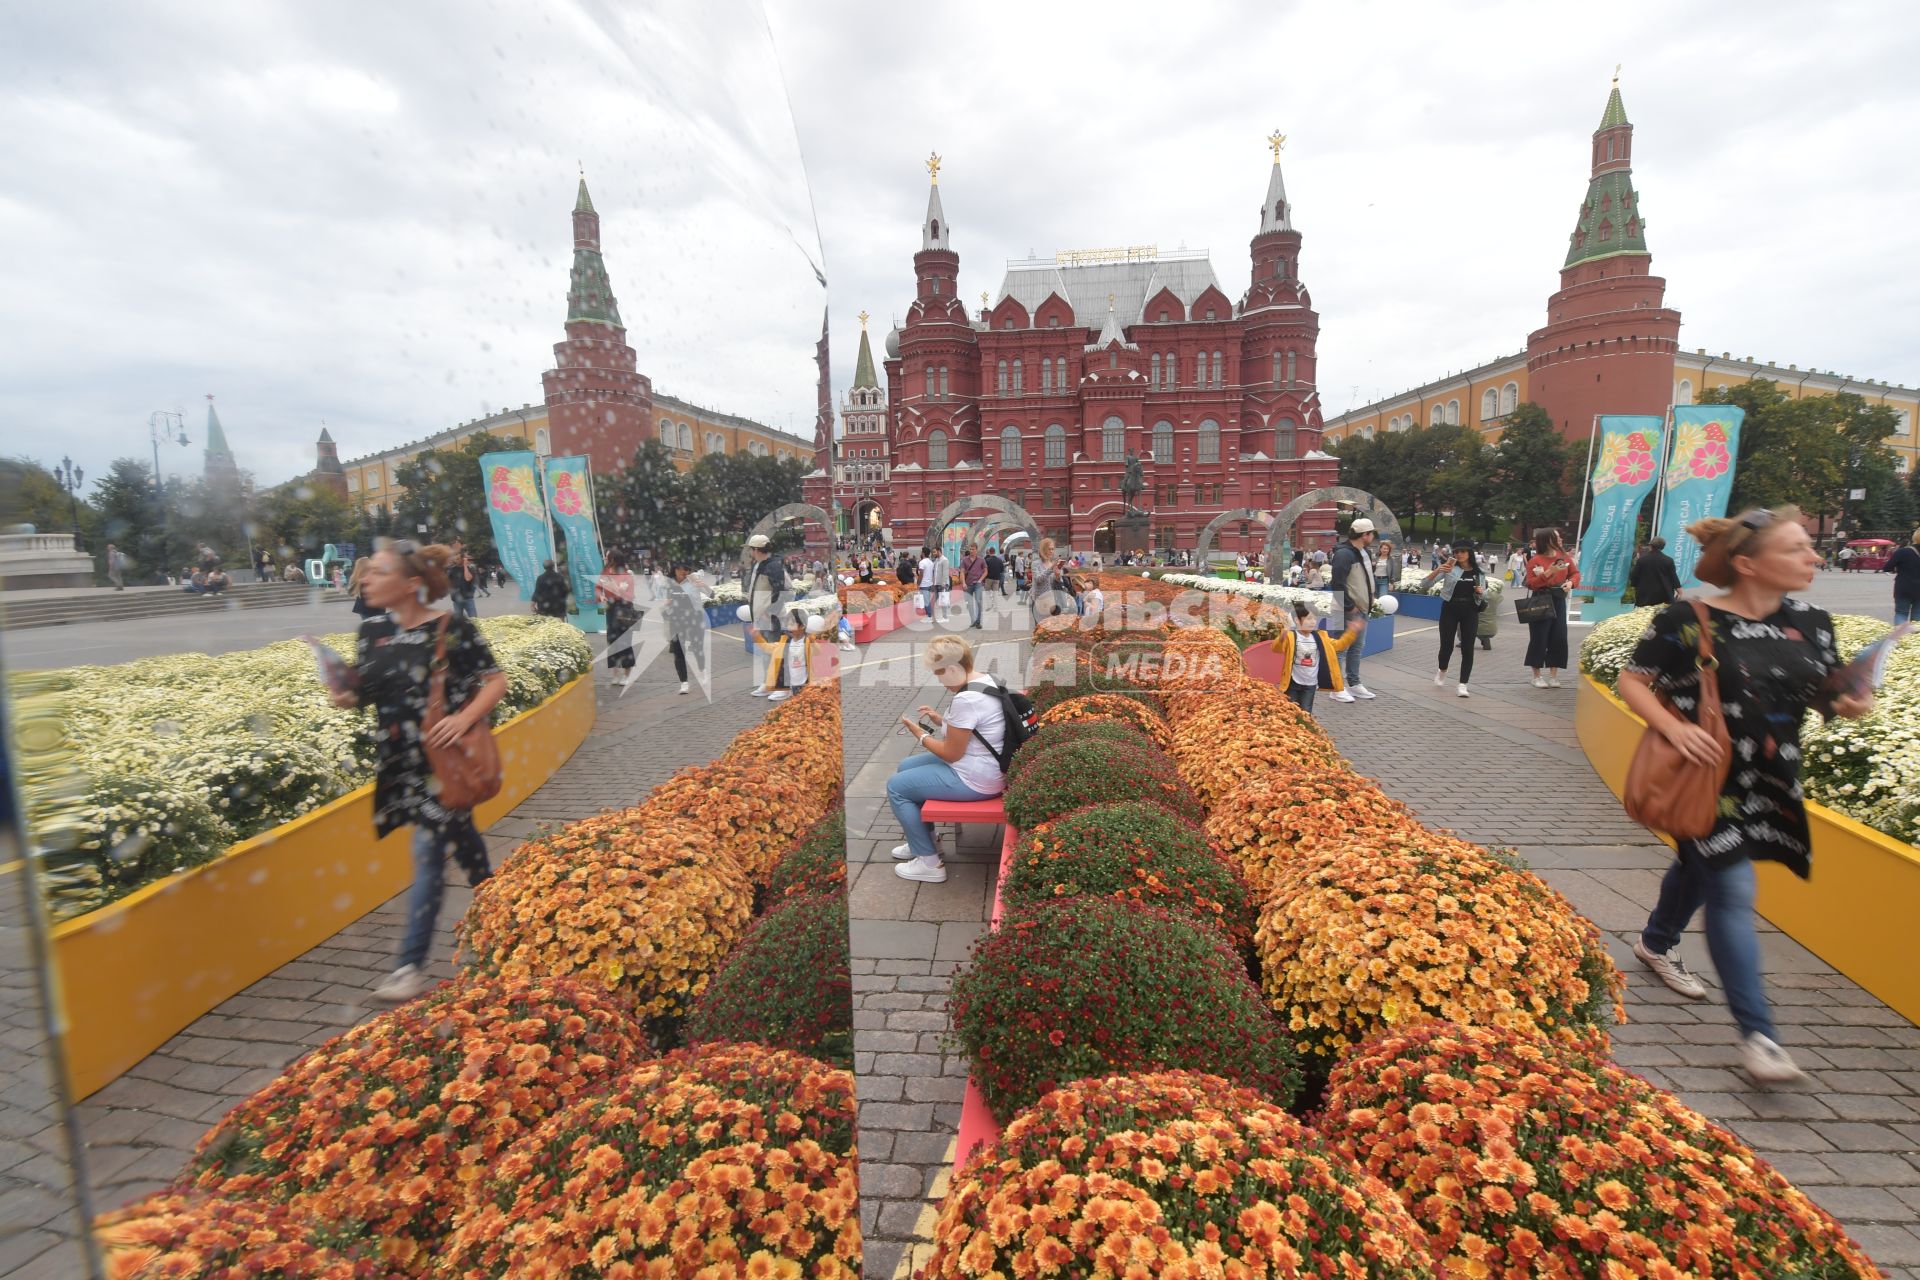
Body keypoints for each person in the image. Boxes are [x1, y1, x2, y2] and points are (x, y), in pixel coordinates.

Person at [1621, 507, 1873, 1084]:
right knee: (1732, 887)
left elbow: (1825, 695)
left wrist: (1849, 702)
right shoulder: (1688, 619)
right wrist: (1672, 726)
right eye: (1796, 549)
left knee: (1699, 866)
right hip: (1704, 776)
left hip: (1772, 775)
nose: (1814, 557)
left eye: (1810, 547)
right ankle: (1760, 1036)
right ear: (1746, 564)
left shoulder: (1814, 621)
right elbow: (1634, 680)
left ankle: (1657, 942)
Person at [326, 542, 507, 1003]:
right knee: (463, 841)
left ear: (410, 585)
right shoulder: (371, 632)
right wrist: (345, 695)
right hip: (400, 761)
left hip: (444, 759)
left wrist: (464, 718)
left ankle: (409, 965)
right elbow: (369, 692)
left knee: (428, 853)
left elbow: (495, 681)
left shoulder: (451, 627)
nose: (365, 579)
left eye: (378, 572)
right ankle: (501, 907)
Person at [887, 635, 1008, 885]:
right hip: (987, 767)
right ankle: (925, 840)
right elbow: (976, 729)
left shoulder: (966, 699)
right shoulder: (986, 680)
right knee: (905, 767)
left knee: (896, 787)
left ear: (954, 669)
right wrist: (940, 720)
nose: (939, 680)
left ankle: (929, 863)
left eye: (939, 674)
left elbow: (951, 753)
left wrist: (919, 735)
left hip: (976, 779)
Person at [1419, 542, 1487, 697]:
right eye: (1456, 552)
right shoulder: (1449, 568)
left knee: (1468, 648)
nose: (1459, 555)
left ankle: (1463, 684)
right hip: (1450, 609)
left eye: (1463, 551)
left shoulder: (1479, 572)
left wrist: (1480, 591)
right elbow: (1424, 585)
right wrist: (1437, 570)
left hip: (1470, 611)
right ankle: (1442, 669)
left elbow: (1483, 596)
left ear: (1469, 553)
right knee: (1446, 645)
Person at [1269, 602, 1360, 713]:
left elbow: (1339, 645)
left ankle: (1304, 730)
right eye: (1309, 619)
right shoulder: (1291, 636)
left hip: (1310, 684)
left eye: (1314, 619)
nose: (1313, 622)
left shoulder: (1321, 637)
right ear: (1297, 620)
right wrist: (1281, 638)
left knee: (1306, 712)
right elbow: (1276, 648)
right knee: (1290, 711)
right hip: (1292, 683)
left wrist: (1352, 632)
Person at [1328, 518, 1378, 702]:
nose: (1372, 536)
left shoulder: (1361, 551)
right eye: (1371, 533)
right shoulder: (1345, 554)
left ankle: (1354, 683)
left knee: (1357, 647)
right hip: (1345, 608)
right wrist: (1350, 605)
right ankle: (1336, 687)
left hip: (1359, 607)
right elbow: (1337, 583)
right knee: (1340, 648)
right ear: (1364, 535)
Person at [1523, 528, 1579, 687]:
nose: (1560, 539)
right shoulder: (1535, 560)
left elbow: (1575, 574)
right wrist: (1548, 573)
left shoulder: (1564, 557)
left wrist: (1571, 583)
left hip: (1559, 598)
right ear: (1547, 540)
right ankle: (1536, 676)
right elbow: (1531, 584)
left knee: (1559, 636)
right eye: (1556, 537)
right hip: (1541, 599)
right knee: (1539, 637)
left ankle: (1554, 676)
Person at [742, 533, 788, 695]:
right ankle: (769, 683)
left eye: (751, 549)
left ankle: (782, 686)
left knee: (775, 651)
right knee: (765, 652)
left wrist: (770, 612)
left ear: (757, 550)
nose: (750, 553)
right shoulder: (760, 564)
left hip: (770, 617)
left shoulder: (773, 566)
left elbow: (780, 592)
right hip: (761, 616)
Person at [663, 563, 712, 694]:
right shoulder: (670, 583)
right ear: (674, 569)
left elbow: (712, 595)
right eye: (680, 569)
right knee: (679, 651)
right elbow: (667, 602)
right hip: (677, 620)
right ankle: (684, 683)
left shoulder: (693, 580)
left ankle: (703, 671)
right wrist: (667, 604)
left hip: (695, 619)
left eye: (686, 569)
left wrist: (703, 585)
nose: (684, 572)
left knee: (697, 648)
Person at [595, 552, 640, 687]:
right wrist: (601, 596)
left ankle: (626, 675)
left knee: (625, 641)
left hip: (626, 608)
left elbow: (630, 596)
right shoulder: (605, 572)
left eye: (608, 556)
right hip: (611, 608)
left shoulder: (627, 575)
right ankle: (615, 674)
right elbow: (598, 587)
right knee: (612, 640)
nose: (605, 558)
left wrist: (616, 590)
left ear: (614, 559)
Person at [1630, 537, 1681, 608]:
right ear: (1662, 547)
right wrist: (1679, 591)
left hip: (1644, 596)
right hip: (1663, 596)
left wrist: (1635, 587)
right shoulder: (1668, 560)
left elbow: (1634, 576)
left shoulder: (1642, 560)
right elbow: (1674, 578)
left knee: (1644, 617)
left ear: (1650, 546)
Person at [1882, 528, 1920, 623]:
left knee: (1901, 613)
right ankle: (1914, 637)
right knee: (1918, 615)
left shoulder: (1902, 552)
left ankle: (1900, 637)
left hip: (1904, 587)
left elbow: (1887, 568)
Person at [448, 542, 480, 619]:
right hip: (456, 599)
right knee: (458, 621)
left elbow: (468, 578)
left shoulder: (470, 568)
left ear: (463, 559)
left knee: (474, 619)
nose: (456, 560)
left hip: (468, 598)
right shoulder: (452, 569)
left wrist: (465, 565)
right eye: (455, 558)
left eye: (458, 558)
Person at [961, 541, 987, 629]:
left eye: (973, 549)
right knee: (969, 604)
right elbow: (962, 572)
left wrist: (980, 580)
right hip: (968, 584)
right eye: (970, 549)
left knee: (978, 602)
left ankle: (978, 621)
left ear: (976, 550)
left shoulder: (981, 560)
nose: (971, 551)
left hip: (978, 584)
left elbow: (986, 571)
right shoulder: (965, 560)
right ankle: (973, 620)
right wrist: (963, 583)